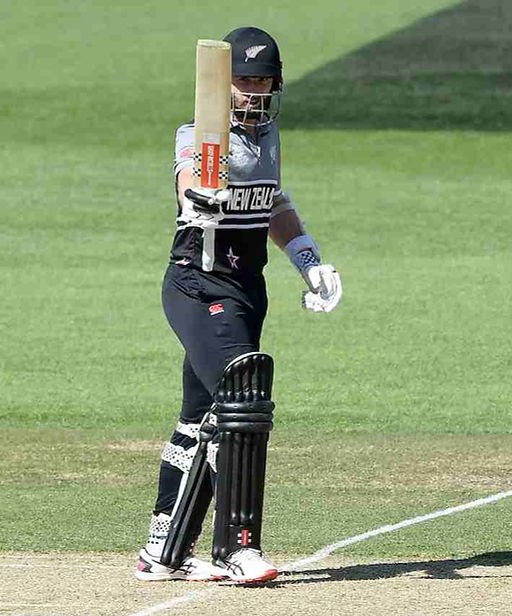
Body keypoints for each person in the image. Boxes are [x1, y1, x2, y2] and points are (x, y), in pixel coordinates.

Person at [135, 26, 342, 584]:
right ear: (222, 86)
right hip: (197, 287)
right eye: (244, 80)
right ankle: (237, 547)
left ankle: (164, 550)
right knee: (242, 401)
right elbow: (187, 176)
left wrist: (308, 257)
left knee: (198, 420)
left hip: (248, 290)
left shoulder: (269, 136)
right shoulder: (200, 133)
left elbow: (272, 199)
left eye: (263, 80)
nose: (254, 92)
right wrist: (195, 200)